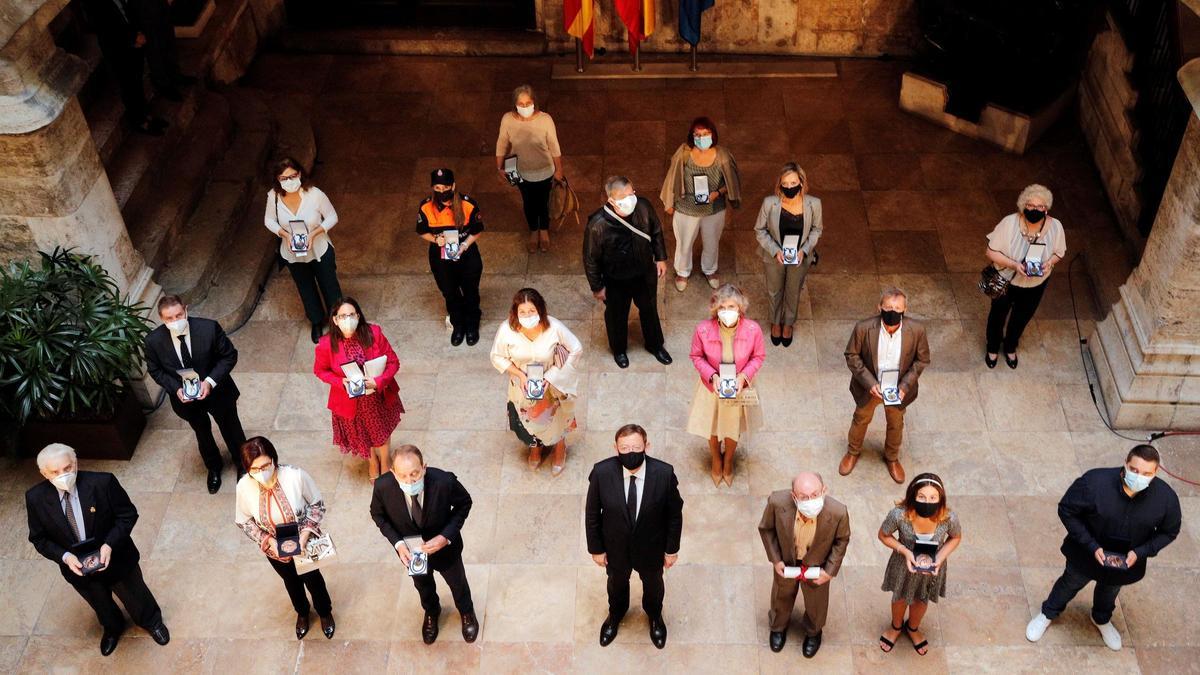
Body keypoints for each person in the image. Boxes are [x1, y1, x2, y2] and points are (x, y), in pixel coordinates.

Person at [1025, 445, 1181, 651]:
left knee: (1109, 592)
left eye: (1146, 473)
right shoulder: (1094, 483)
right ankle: (1048, 613)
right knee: (1069, 583)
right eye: (1134, 470)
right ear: (1125, 463)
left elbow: (1169, 531)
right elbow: (1067, 510)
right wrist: (1090, 545)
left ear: (1155, 473)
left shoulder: (1166, 499)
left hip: (1125, 562)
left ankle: (1101, 618)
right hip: (1085, 554)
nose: (1139, 477)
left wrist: (1140, 552)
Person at [25, 444, 170, 656]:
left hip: (117, 559)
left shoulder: (103, 483)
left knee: (135, 594)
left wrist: (109, 544)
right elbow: (39, 538)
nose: (63, 475)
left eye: (67, 468)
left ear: (76, 463)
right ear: (44, 474)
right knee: (99, 602)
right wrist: (65, 557)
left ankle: (151, 621)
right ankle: (112, 628)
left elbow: (127, 515)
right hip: (78, 569)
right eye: (55, 472)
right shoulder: (35, 498)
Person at [585, 424, 684, 649]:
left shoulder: (664, 474)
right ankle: (615, 615)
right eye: (625, 448)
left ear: (646, 446)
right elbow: (592, 514)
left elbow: (674, 515)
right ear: (615, 448)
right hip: (615, 547)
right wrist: (596, 549)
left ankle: (655, 617)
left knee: (654, 586)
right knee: (616, 584)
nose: (631, 453)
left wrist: (671, 549)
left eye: (636, 447)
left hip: (652, 548)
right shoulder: (601, 473)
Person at [370, 445, 479, 645]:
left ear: (424, 468)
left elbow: (465, 503)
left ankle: (466, 611)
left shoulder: (444, 482)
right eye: (403, 476)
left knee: (458, 582)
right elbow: (378, 515)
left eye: (415, 473)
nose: (410, 481)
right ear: (393, 473)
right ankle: (431, 612)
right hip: (412, 553)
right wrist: (398, 543)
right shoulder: (383, 487)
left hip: (446, 550)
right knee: (423, 585)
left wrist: (445, 536)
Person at [234, 437, 335, 640]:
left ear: (273, 459)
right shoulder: (244, 486)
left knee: (313, 580)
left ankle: (325, 613)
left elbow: (316, 505)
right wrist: (270, 542)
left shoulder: (295, 476)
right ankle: (302, 613)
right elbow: (244, 521)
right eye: (255, 469)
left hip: (306, 543)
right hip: (275, 549)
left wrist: (305, 535)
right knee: (290, 581)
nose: (262, 472)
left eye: (266, 465)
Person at [144, 294, 246, 494]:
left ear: (186, 310)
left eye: (179, 315)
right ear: (162, 319)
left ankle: (242, 464)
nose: (175, 321)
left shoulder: (208, 328)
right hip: (185, 399)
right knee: (202, 433)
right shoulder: (153, 341)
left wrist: (209, 382)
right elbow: (155, 370)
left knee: (231, 427)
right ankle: (214, 468)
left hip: (218, 392)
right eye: (169, 318)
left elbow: (229, 356)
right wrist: (176, 388)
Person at [839, 287, 930, 484]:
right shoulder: (863, 328)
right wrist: (870, 383)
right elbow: (851, 355)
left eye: (897, 308)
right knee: (860, 419)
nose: (892, 312)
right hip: (870, 386)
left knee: (896, 424)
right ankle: (853, 452)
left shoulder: (917, 330)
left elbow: (922, 360)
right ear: (879, 306)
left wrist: (905, 386)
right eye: (888, 307)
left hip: (899, 389)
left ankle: (892, 458)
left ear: (905, 310)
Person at [489, 287, 584, 476]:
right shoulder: (506, 330)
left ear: (539, 310)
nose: (527, 315)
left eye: (531, 311)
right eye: (522, 312)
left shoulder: (554, 327)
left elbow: (576, 349)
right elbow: (496, 356)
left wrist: (552, 376)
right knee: (528, 419)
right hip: (522, 385)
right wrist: (519, 374)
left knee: (556, 419)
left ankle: (559, 448)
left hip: (551, 386)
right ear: (515, 312)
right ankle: (535, 447)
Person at [583, 175, 672, 369]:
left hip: (644, 273)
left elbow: (656, 231)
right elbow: (591, 259)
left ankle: (655, 345)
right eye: (623, 196)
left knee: (649, 309)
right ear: (611, 200)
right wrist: (597, 287)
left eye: (631, 193)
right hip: (616, 279)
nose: (630, 198)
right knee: (617, 315)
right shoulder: (597, 225)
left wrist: (661, 258)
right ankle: (619, 350)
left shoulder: (643, 206)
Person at [758, 472, 850, 658]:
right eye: (803, 497)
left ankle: (814, 632)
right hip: (787, 561)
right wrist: (776, 560)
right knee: (781, 595)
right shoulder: (777, 502)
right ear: (793, 496)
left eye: (815, 495)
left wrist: (829, 572)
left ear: (824, 490)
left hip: (818, 565)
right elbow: (766, 529)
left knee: (817, 602)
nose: (810, 500)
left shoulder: (838, 512)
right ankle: (778, 626)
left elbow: (842, 540)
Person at [313, 297, 403, 481]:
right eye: (342, 315)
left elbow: (393, 362)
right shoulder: (325, 344)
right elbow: (320, 370)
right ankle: (372, 462)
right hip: (350, 401)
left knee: (382, 432)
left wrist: (379, 381)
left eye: (351, 314)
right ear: (335, 320)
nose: (347, 319)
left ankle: (385, 461)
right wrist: (341, 382)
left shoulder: (374, 333)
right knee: (364, 435)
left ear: (358, 316)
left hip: (376, 397)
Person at [686, 283, 765, 486]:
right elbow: (696, 356)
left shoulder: (753, 329)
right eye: (722, 307)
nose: (727, 312)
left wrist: (742, 377)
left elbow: (758, 356)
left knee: (732, 426)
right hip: (711, 388)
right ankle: (716, 458)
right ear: (715, 309)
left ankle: (728, 460)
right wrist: (713, 376)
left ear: (740, 309)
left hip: (739, 387)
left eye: (732, 307)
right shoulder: (703, 330)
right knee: (712, 427)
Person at [876, 473, 963, 656]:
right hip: (903, 566)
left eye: (933, 497)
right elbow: (883, 535)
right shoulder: (899, 515)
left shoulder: (948, 518)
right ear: (913, 495)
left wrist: (939, 558)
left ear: (941, 499)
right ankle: (896, 627)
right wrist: (904, 551)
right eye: (922, 497)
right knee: (899, 597)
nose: (927, 501)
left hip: (931, 569)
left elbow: (956, 537)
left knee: (921, 600)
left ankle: (913, 628)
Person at [983, 183, 1066, 369]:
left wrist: (1048, 263)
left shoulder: (1056, 227)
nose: (1035, 210)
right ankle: (993, 348)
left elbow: (1059, 252)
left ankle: (1011, 346)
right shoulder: (1009, 223)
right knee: (998, 315)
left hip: (1036, 283)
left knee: (1022, 317)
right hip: (1006, 279)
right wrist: (1014, 264)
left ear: (1046, 209)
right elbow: (990, 252)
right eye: (1030, 205)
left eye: (1040, 207)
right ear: (1023, 206)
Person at [264, 157, 343, 344]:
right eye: (284, 178)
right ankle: (316, 321)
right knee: (305, 288)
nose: (290, 181)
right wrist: (284, 234)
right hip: (292, 253)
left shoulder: (315, 194)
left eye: (293, 176)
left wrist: (314, 233)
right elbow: (269, 220)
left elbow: (332, 217)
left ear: (300, 174)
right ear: (277, 179)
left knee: (330, 286)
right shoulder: (273, 197)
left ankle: (338, 322)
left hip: (319, 249)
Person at [659, 116, 742, 292]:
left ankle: (710, 270)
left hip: (713, 208)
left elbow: (732, 183)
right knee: (684, 242)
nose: (701, 137)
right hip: (686, 207)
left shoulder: (722, 156)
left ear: (712, 134)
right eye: (697, 134)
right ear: (692, 135)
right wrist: (669, 201)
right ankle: (682, 271)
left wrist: (718, 193)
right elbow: (672, 177)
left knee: (712, 241)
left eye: (705, 134)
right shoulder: (684, 153)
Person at [754, 162, 823, 347]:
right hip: (774, 256)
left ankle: (788, 324)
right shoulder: (770, 203)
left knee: (793, 292)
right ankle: (775, 322)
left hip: (799, 257)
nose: (790, 187)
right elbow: (759, 230)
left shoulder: (814, 204)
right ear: (780, 184)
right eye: (785, 184)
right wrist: (775, 250)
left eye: (793, 183)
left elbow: (817, 230)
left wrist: (805, 250)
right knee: (774, 291)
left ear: (801, 182)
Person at [417, 168, 486, 346]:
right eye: (437, 188)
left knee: (470, 290)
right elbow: (421, 231)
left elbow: (477, 230)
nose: (442, 192)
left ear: (453, 185)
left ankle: (472, 323)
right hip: (441, 257)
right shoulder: (426, 206)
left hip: (466, 254)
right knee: (449, 292)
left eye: (446, 187)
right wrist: (435, 239)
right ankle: (458, 324)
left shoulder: (467, 204)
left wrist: (464, 245)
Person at [495, 84, 564, 253]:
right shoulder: (507, 119)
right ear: (515, 104)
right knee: (528, 203)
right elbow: (502, 142)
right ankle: (534, 231)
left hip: (544, 170)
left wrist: (559, 169)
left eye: (528, 103)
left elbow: (554, 146)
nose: (525, 107)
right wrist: (499, 166)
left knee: (543, 203)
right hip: (520, 170)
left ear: (534, 102)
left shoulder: (545, 120)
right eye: (521, 104)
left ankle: (544, 231)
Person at [81, 0, 167, 135]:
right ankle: (139, 121)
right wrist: (132, 38)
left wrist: (138, 33)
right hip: (118, 47)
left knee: (137, 81)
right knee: (128, 85)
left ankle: (146, 115)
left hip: (133, 38)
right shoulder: (93, 3)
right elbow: (105, 25)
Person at [130, 0, 195, 101]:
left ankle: (175, 74)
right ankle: (162, 83)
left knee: (168, 39)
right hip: (142, 8)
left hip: (159, 5)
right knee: (154, 47)